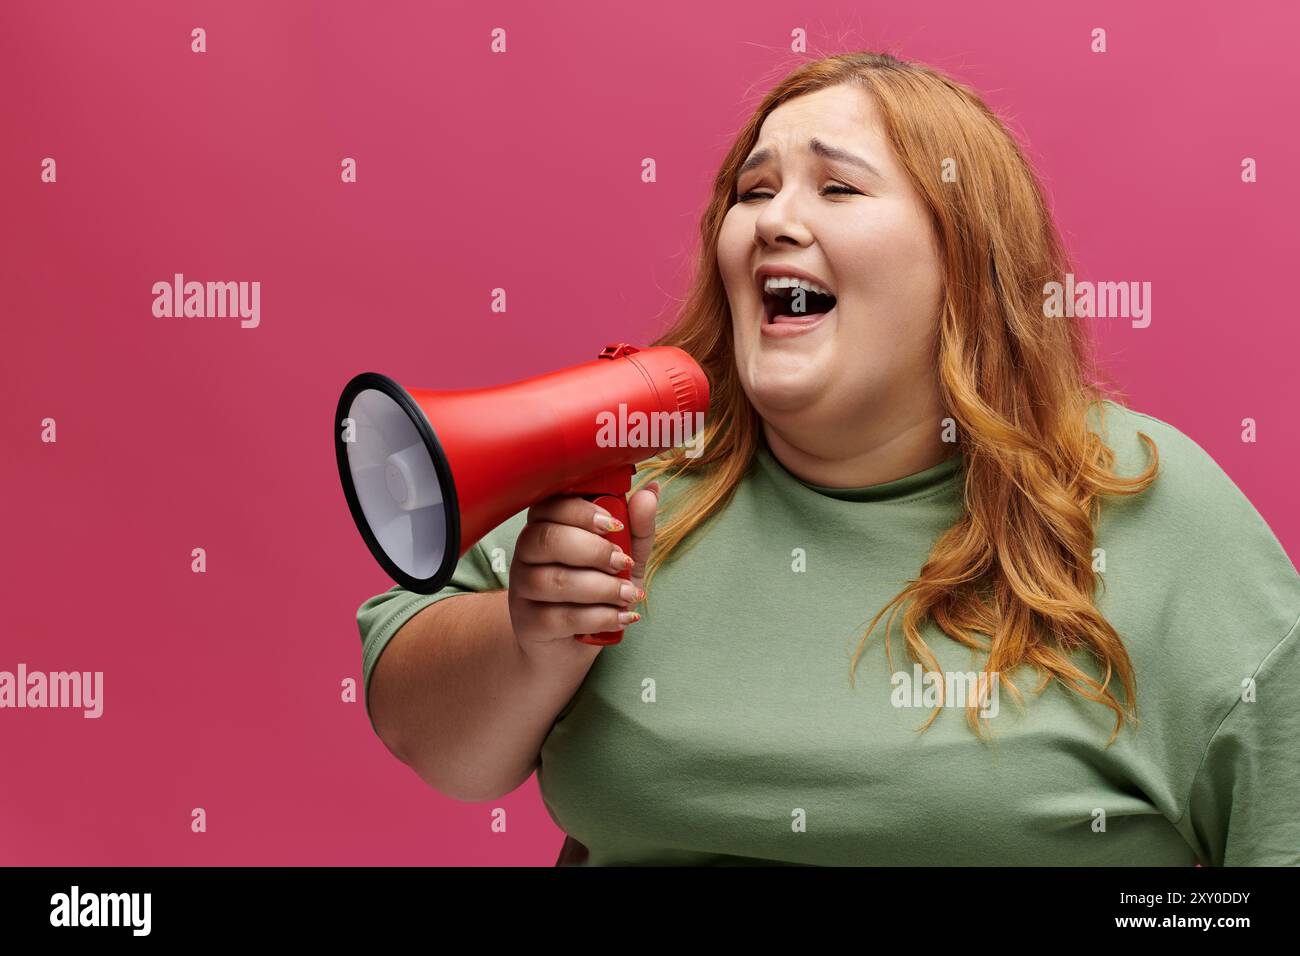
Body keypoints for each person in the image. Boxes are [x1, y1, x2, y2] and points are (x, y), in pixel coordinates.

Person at [356, 51, 1300, 866]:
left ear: (968, 261)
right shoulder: (638, 466)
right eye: (752, 191)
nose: (773, 220)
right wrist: (531, 640)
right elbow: (435, 743)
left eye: (837, 188)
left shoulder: (1146, 501)